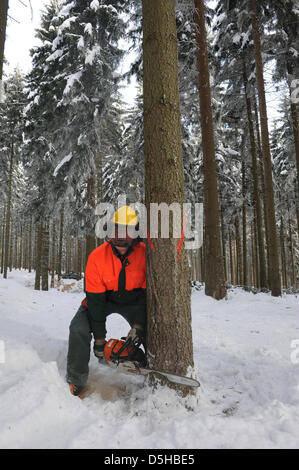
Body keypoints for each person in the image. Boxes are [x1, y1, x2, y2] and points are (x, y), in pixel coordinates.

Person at [66, 205, 146, 396]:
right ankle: (76, 379)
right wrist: (100, 339)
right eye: (115, 231)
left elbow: (147, 297)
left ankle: (151, 368)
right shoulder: (97, 257)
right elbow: (95, 301)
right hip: (103, 299)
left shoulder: (145, 255)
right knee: (78, 329)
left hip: (136, 300)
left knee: (153, 330)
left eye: (126, 232)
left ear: (135, 234)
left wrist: (139, 326)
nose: (119, 238)